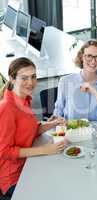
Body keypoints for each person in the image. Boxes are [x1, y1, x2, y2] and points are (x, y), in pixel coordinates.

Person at [0, 58, 66, 199]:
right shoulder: (7, 107)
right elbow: (4, 151)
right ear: (12, 79)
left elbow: (28, 131)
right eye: (24, 78)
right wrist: (45, 150)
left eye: (33, 77)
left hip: (29, 164)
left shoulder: (24, 99)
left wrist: (51, 124)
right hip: (14, 177)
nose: (30, 83)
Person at [53, 40, 97, 122]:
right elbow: (58, 111)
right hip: (72, 132)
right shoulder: (65, 81)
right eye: (89, 56)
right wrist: (54, 120)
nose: (93, 61)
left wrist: (95, 91)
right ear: (81, 57)